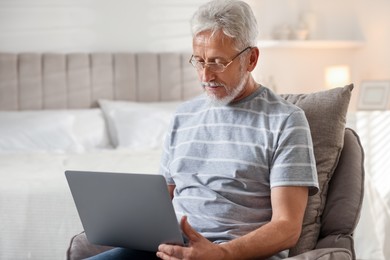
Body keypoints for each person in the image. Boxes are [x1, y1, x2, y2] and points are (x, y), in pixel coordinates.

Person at [88, 0, 319, 259]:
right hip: (168, 251)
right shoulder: (183, 116)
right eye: (198, 61)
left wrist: (221, 254)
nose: (205, 76)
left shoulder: (286, 121)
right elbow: (160, 204)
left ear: (251, 58)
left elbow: (287, 227)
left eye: (218, 62)